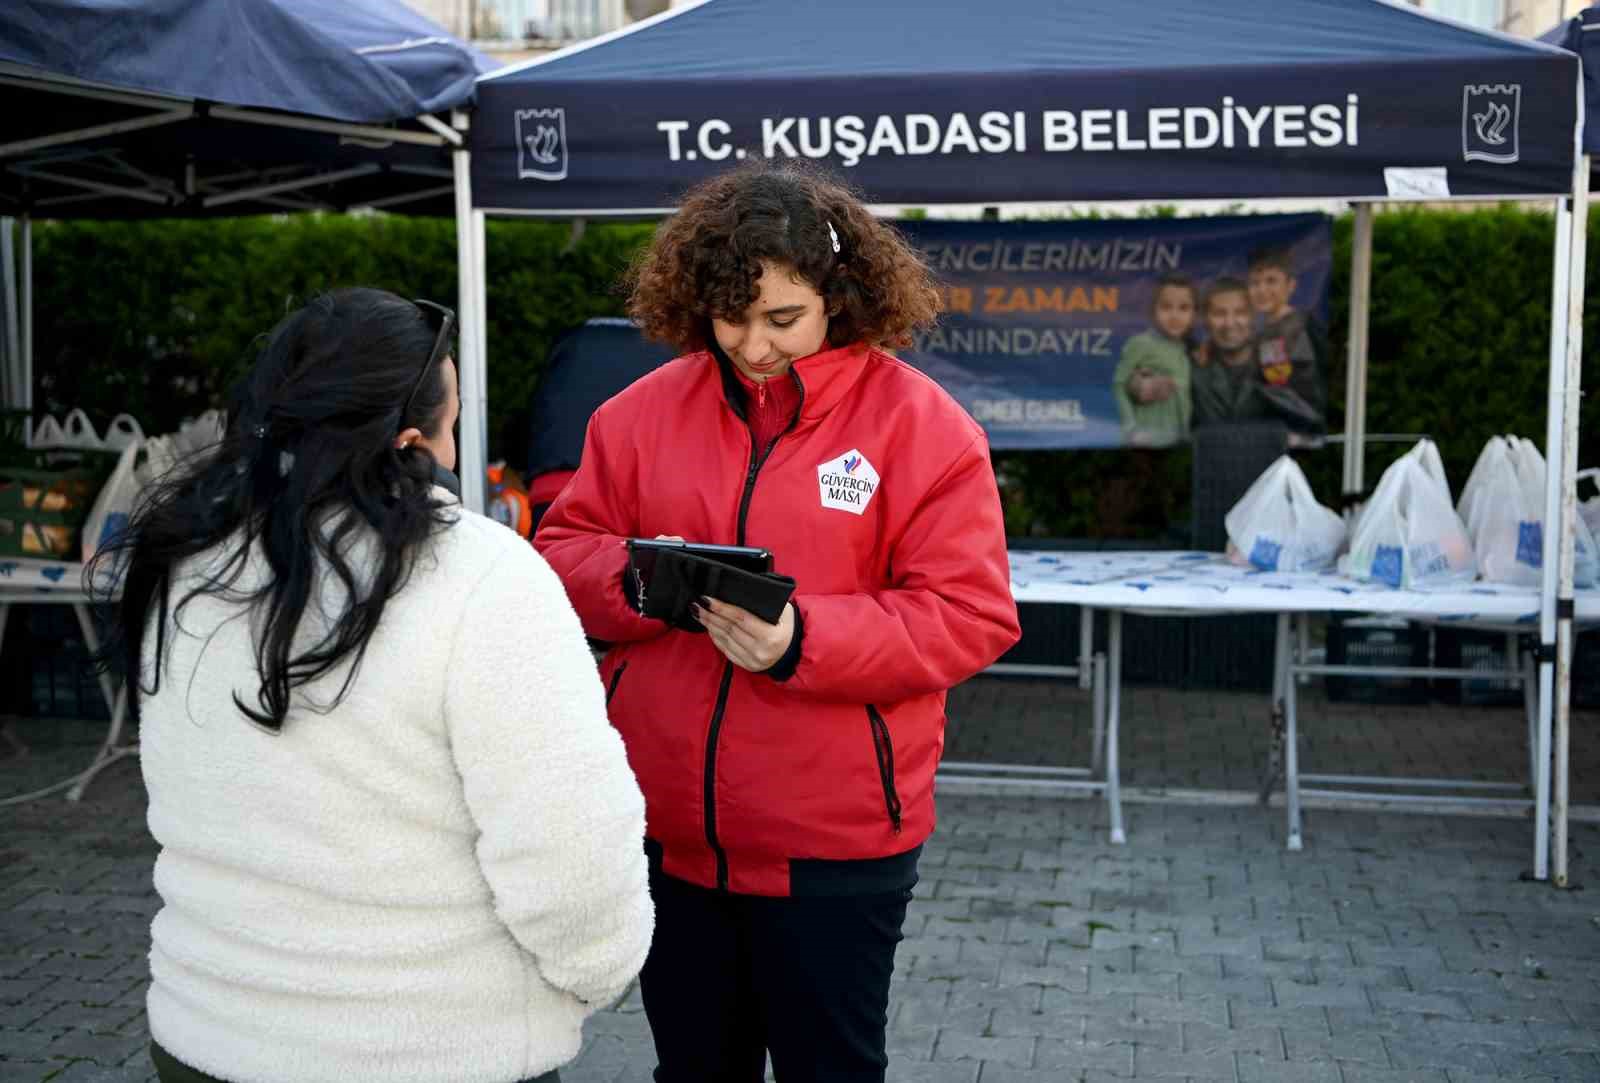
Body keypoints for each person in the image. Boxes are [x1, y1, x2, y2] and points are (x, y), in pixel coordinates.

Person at [534, 163, 1021, 1083]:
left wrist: (804, 640)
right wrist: (639, 585)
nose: (753, 345)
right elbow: (560, 552)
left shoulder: (927, 430)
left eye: (782, 319)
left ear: (839, 297)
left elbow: (970, 614)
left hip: (835, 847)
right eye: (731, 317)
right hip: (666, 830)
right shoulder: (634, 417)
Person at [94, 288, 653, 1083]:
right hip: (431, 1051)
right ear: (414, 440)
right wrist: (597, 974)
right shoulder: (483, 577)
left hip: (207, 1034)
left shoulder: (188, 560)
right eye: (454, 428)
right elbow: (575, 865)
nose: (458, 458)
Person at [1191, 276, 1321, 433]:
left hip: (1272, 455)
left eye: (1240, 313)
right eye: (1219, 314)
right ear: (1205, 318)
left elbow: (1309, 423)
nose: (1229, 323)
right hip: (1211, 456)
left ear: (1252, 317)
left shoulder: (1280, 360)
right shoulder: (1192, 368)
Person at [1246, 245, 1328, 433]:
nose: (1262, 289)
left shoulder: (1304, 326)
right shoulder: (1260, 334)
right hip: (1271, 432)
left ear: (1291, 285)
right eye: (1255, 283)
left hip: (1302, 432)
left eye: (1271, 281)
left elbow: (1312, 386)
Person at [1111, 273, 1197, 446]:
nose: (1175, 316)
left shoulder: (1189, 350)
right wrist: (1131, 428)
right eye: (1166, 307)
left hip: (1181, 441)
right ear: (1153, 310)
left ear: (1194, 314)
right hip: (1146, 442)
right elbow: (1119, 384)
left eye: (1184, 308)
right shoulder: (1141, 343)